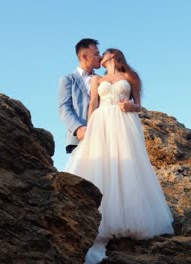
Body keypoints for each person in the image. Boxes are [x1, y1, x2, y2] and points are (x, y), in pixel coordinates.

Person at [64, 48, 175, 264]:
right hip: (102, 123)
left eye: (103, 53)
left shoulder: (128, 76)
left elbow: (139, 105)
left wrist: (131, 106)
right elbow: (93, 106)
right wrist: (87, 131)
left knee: (128, 165)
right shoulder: (97, 79)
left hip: (124, 123)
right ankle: (102, 219)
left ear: (113, 56)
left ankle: (131, 218)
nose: (100, 56)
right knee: (103, 165)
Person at [58, 38, 101, 154]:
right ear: (84, 56)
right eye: (96, 54)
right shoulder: (67, 80)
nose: (100, 57)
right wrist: (78, 128)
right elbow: (64, 109)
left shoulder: (103, 81)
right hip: (79, 140)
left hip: (102, 137)